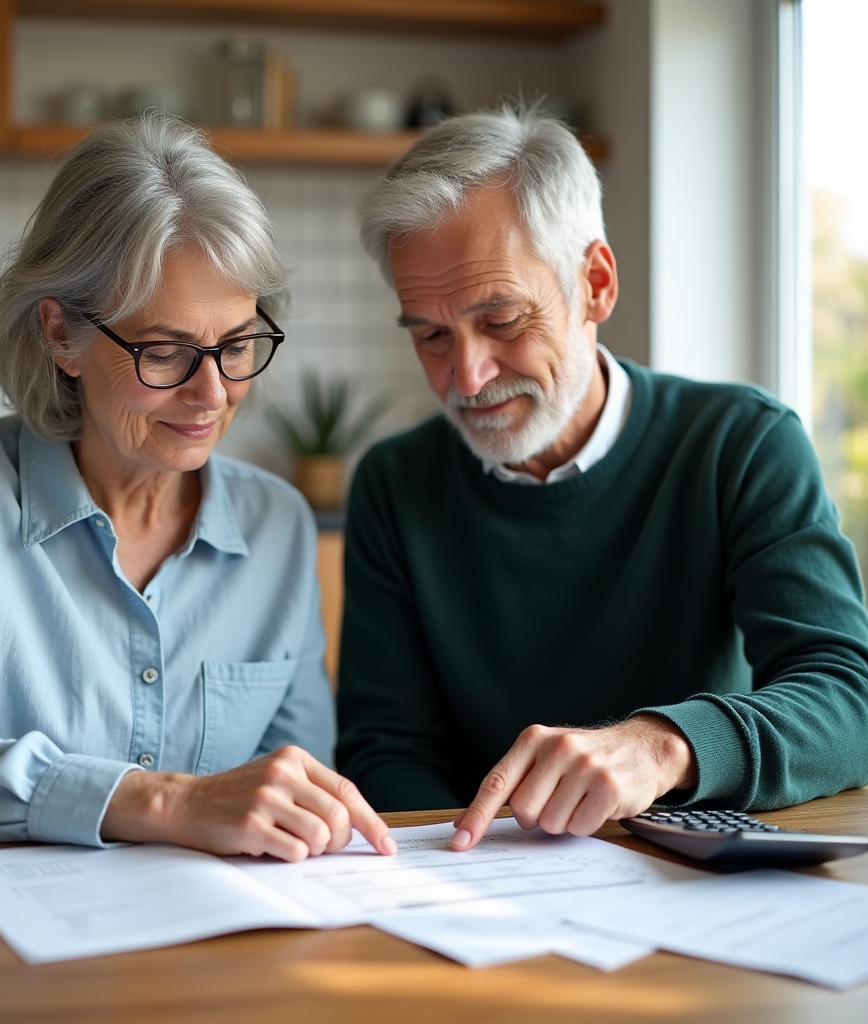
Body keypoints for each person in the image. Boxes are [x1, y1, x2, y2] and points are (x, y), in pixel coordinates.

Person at [0, 116, 394, 862]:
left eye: (236, 347)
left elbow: (297, 781)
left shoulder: (279, 523)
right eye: (165, 352)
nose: (212, 394)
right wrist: (168, 802)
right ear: (60, 335)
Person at [336, 105, 868, 851]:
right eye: (429, 333)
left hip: (691, 885)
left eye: (503, 320)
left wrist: (662, 746)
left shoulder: (742, 443)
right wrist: (471, 871)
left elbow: (849, 700)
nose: (467, 374)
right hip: (479, 885)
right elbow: (385, 750)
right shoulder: (395, 484)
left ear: (595, 283)